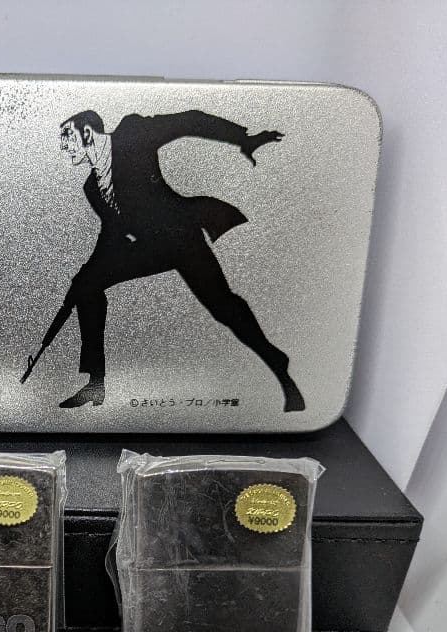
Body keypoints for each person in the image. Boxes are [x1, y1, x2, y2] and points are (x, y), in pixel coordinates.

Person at [46, 108, 305, 412]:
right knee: (87, 285)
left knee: (223, 307)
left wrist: (242, 139)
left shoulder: (132, 133)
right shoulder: (92, 188)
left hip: (181, 238)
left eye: (67, 137)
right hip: (150, 249)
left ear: (87, 133)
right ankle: (95, 383)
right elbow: (112, 234)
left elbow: (189, 121)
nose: (63, 146)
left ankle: (277, 364)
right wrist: (86, 274)